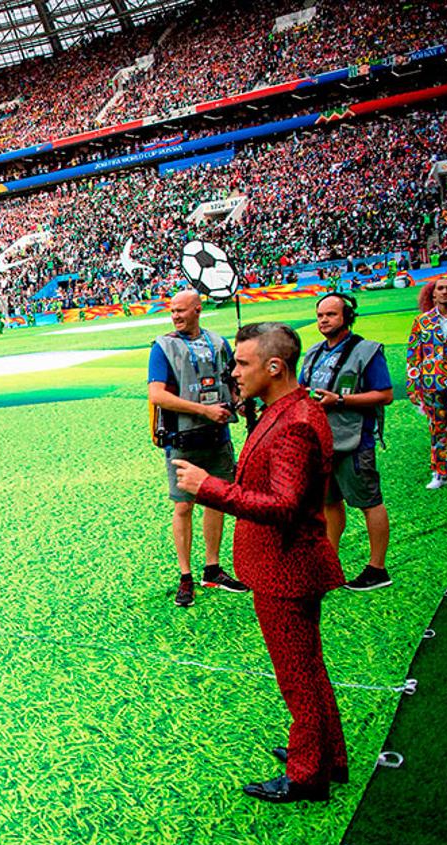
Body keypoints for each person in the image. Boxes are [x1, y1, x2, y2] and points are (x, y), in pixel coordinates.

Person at [174, 322, 346, 803]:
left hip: (285, 566)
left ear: (275, 367)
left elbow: (283, 505)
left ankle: (308, 773)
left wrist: (208, 487)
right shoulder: (290, 408)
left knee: (298, 675)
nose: (233, 372)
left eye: (242, 364)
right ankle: (324, 755)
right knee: (307, 667)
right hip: (285, 564)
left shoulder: (295, 421)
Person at [147, 290, 248, 606]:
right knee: (183, 506)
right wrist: (203, 410)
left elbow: (233, 381)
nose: (175, 316)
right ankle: (185, 576)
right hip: (182, 440)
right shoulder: (163, 346)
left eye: (180, 310)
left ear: (198, 310)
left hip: (217, 437)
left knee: (216, 501)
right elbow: (157, 396)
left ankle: (212, 568)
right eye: (172, 311)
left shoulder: (219, 343)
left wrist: (241, 402)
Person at [299, 293, 393, 590]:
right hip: (319, 440)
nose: (324, 320)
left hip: (354, 439)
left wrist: (340, 399)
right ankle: (329, 564)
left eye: (331, 315)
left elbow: (385, 394)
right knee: (329, 503)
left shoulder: (367, 351)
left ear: (347, 317)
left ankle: (377, 569)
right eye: (320, 315)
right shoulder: (313, 352)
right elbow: (302, 388)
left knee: (369, 503)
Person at [405, 273, 447, 494]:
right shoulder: (422, 321)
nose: (445, 291)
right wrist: (412, 386)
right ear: (433, 293)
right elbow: (413, 355)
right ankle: (440, 473)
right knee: (437, 429)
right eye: (440, 288)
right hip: (431, 383)